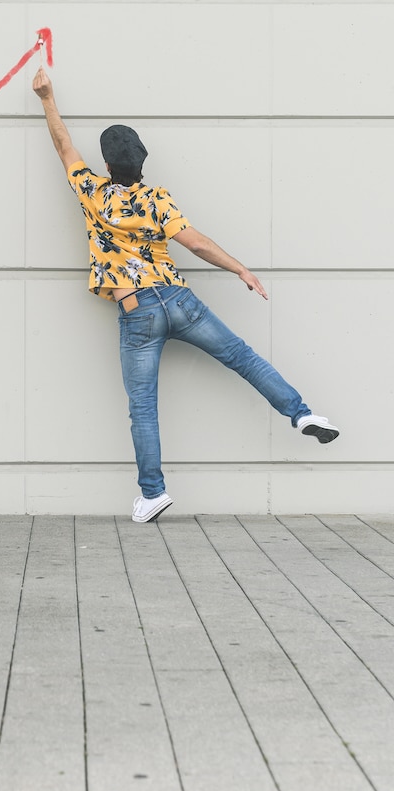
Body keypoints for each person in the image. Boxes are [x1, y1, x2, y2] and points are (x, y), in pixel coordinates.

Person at [30, 66, 339, 523]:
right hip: (179, 301)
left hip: (137, 311)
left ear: (109, 166)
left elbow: (63, 145)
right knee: (245, 358)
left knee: (143, 408)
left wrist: (47, 96)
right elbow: (195, 243)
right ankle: (303, 414)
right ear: (141, 163)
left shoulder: (92, 191)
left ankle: (153, 494)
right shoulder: (157, 198)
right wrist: (240, 269)